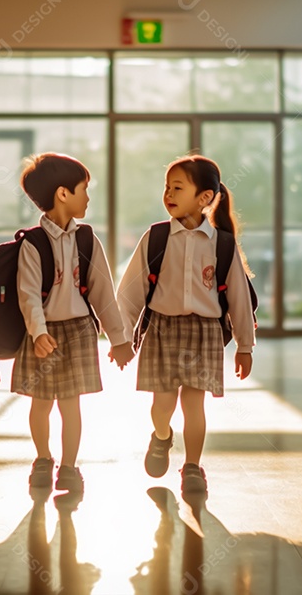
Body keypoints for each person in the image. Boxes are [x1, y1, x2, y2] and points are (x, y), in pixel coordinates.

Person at [116, 154, 255, 494]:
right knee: (162, 405)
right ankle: (162, 436)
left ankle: (192, 466)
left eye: (177, 188)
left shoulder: (222, 243)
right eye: (166, 187)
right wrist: (121, 338)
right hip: (161, 330)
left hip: (205, 332)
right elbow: (131, 291)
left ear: (204, 197)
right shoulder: (156, 237)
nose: (168, 194)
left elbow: (238, 298)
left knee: (194, 405)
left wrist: (245, 346)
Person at [13, 152, 135, 493]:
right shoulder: (32, 244)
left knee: (71, 405)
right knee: (41, 402)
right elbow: (28, 295)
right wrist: (38, 333)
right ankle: (43, 459)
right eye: (84, 189)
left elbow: (103, 293)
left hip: (79, 329)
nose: (88, 197)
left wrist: (119, 339)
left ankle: (68, 466)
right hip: (43, 333)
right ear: (63, 194)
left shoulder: (87, 240)